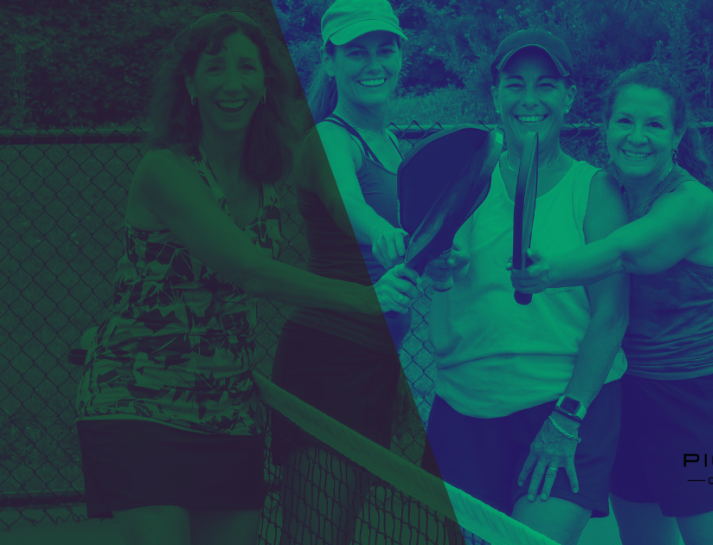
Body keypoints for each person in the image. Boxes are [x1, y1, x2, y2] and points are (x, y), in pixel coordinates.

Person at [74, 12, 418, 545]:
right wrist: (369, 300)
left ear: (263, 84)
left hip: (228, 409)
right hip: (138, 401)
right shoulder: (164, 169)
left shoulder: (264, 180)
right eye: (214, 69)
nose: (231, 84)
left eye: (246, 69)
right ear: (189, 84)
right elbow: (248, 270)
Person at [510, 61, 713, 545]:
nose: (637, 136)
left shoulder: (691, 203)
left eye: (654, 124)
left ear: (677, 133)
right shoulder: (607, 191)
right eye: (625, 121)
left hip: (702, 401)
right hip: (629, 393)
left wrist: (547, 273)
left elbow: (625, 251)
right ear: (606, 126)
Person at [422, 29, 630, 545]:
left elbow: (611, 315)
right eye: (515, 84)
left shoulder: (595, 189)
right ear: (495, 95)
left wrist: (566, 419)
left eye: (546, 84)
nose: (530, 99)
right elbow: (437, 294)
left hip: (564, 404)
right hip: (465, 409)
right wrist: (439, 273)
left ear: (568, 95)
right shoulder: (461, 180)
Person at [270, 1, 430, 544]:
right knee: (316, 534)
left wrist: (438, 258)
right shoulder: (330, 139)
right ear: (329, 58)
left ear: (401, 56)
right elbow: (352, 205)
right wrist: (378, 231)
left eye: (384, 49)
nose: (373, 63)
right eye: (356, 51)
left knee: (343, 531)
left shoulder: (394, 146)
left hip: (375, 362)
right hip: (327, 361)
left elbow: (415, 246)